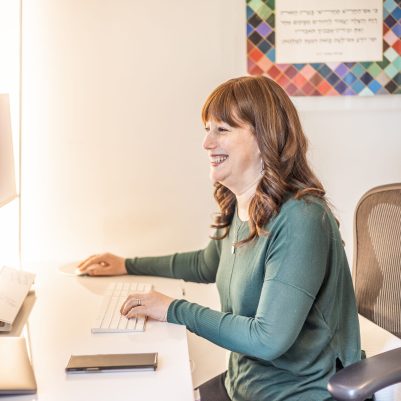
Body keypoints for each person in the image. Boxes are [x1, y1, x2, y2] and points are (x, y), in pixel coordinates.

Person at [78, 76, 361, 401]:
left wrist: (173, 309)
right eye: (206, 129)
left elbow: (267, 339)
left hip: (298, 394)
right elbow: (207, 263)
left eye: (222, 130)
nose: (207, 143)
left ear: (263, 138)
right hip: (244, 385)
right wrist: (125, 264)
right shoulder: (240, 202)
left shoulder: (302, 218)